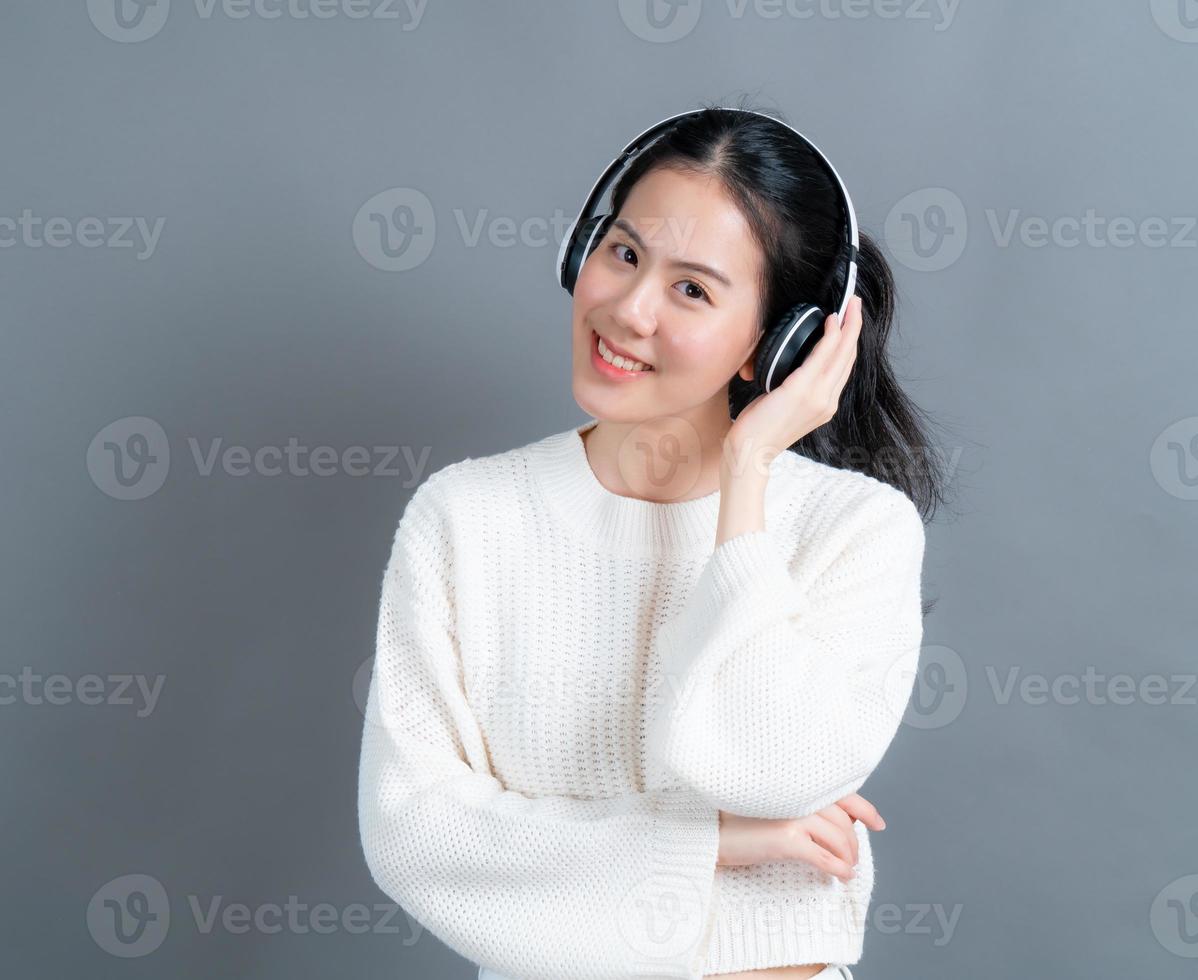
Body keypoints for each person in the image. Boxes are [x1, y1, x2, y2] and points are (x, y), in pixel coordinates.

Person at [357, 103, 951, 980]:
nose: (629, 310)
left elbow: (772, 770)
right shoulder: (466, 519)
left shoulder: (853, 531)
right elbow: (417, 831)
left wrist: (748, 469)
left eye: (692, 289)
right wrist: (706, 843)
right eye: (624, 254)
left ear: (775, 345)